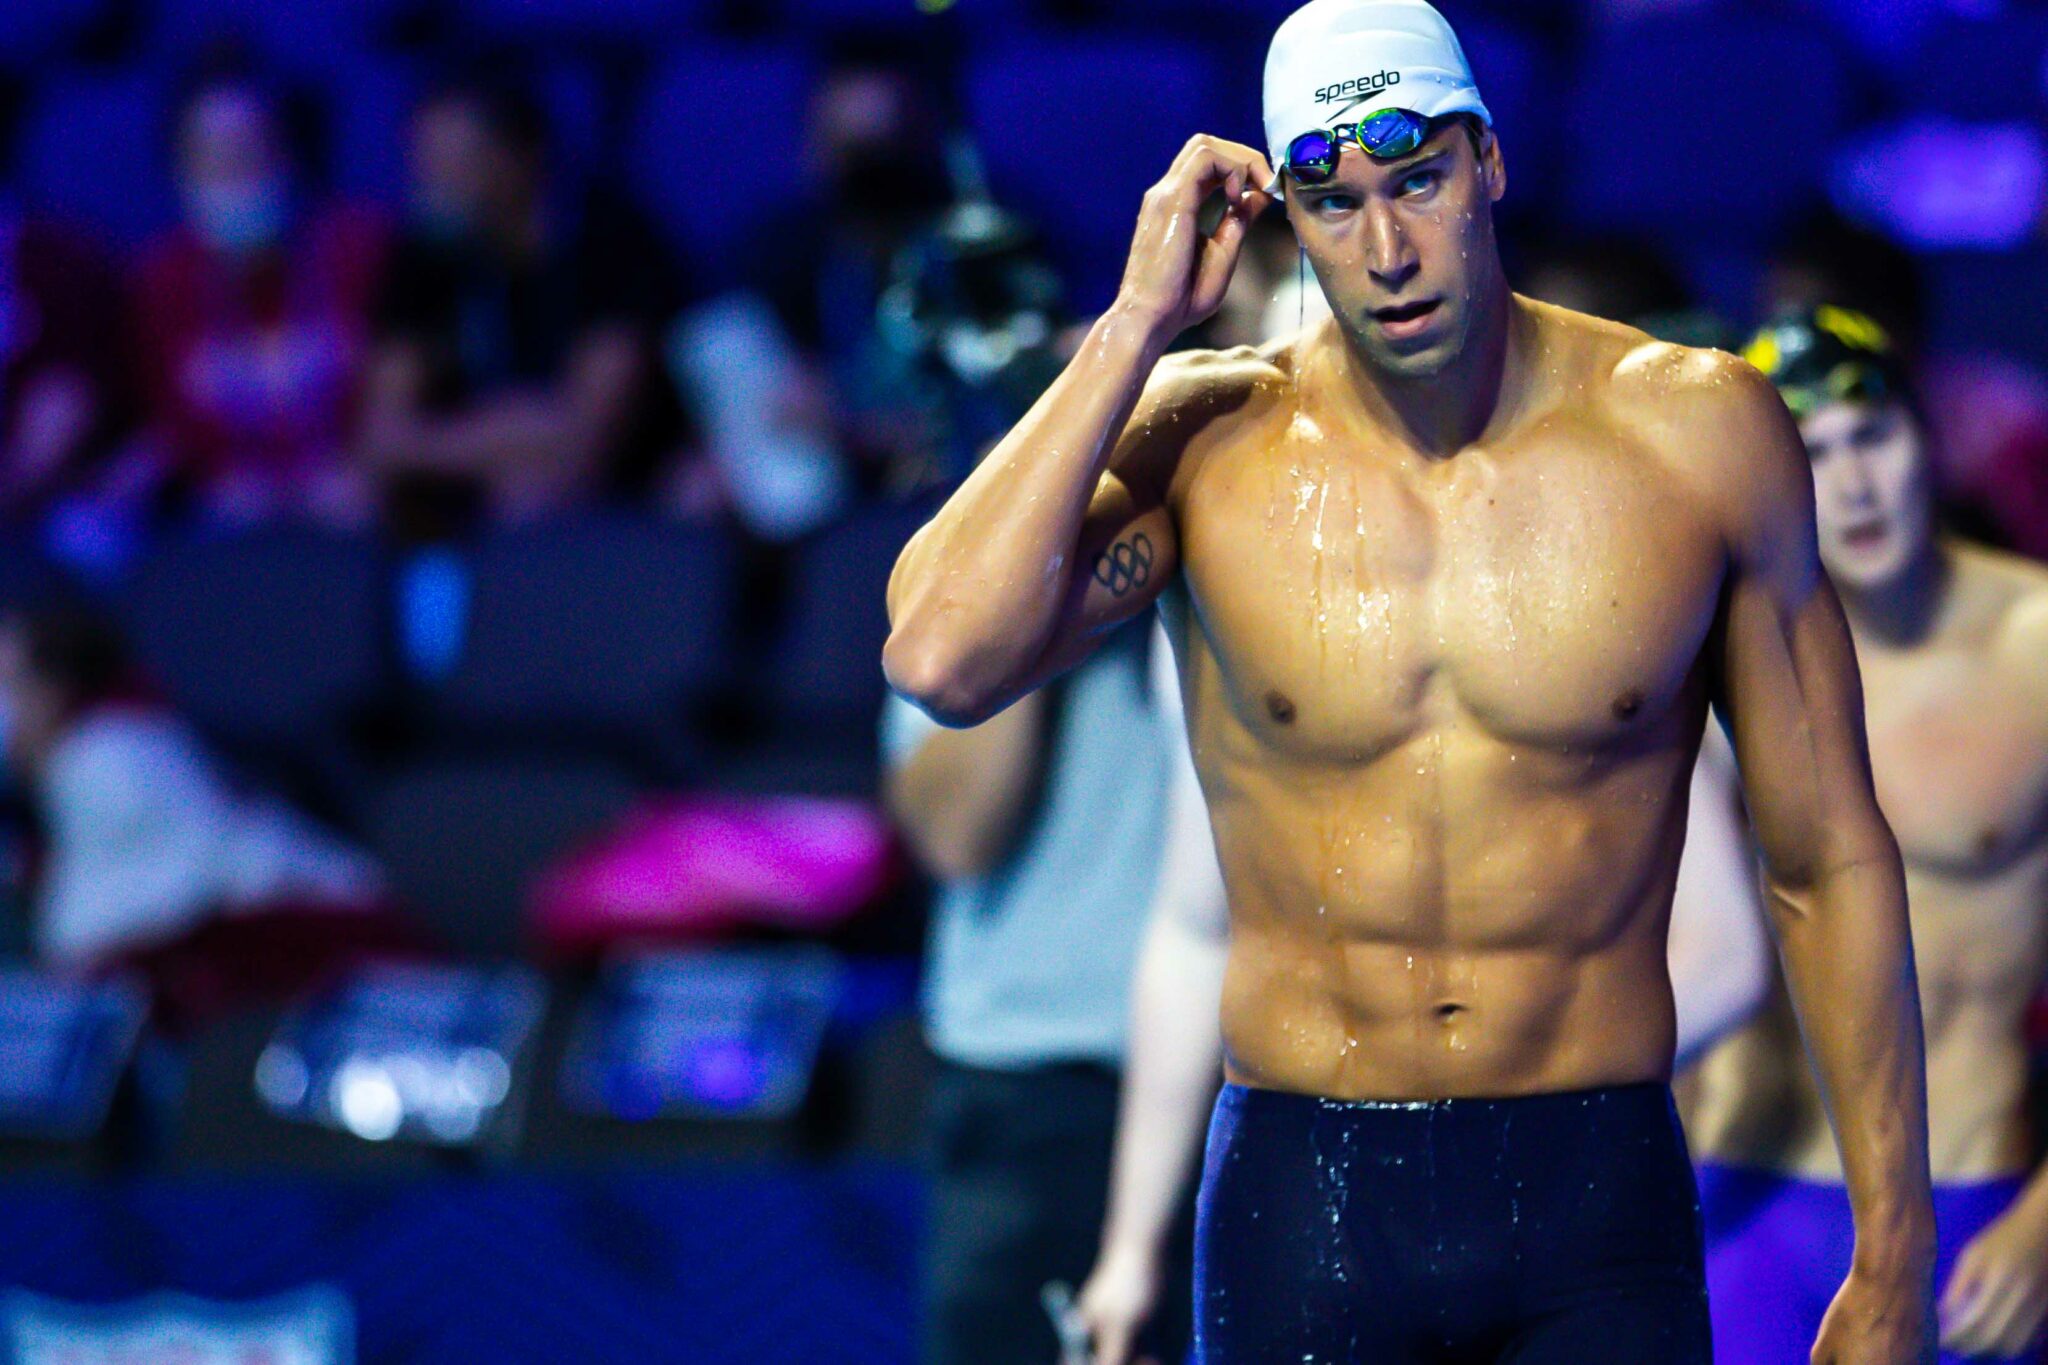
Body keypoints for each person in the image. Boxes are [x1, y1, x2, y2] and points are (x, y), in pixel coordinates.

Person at [882, 0, 1934, 1358]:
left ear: (1487, 162)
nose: (1384, 252)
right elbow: (940, 659)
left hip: (1595, 1187)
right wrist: (1137, 321)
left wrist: (1893, 1249)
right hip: (1303, 1192)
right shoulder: (1210, 442)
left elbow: (1826, 853)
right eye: (1330, 202)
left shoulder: (1697, 434)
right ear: (1283, 220)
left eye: (1417, 180)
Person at [1076, 651, 1772, 1364]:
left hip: (1572, 1177)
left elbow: (1724, 953)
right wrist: (1130, 1245)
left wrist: (1516, 1069)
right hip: (1312, 1184)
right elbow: (1196, 929)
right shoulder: (1221, 571)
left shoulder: (1593, 573)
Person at [1686, 305, 2048, 1364]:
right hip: (1736, 1195)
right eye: (1808, 451)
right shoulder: (1705, 654)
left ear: (1924, 435)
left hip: (1965, 1208)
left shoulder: (2032, 646)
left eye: (1869, 436)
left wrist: (2044, 1218)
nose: (1849, 486)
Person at [881, 616, 1193, 1365]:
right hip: (1036, 1077)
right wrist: (1056, 581)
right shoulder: (1006, 524)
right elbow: (956, 835)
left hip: (1281, 1080)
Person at [0, 598, 426, 1036]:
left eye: (7, 684)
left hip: (319, 945)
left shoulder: (110, 759)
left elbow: (100, 935)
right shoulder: (87, 755)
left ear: (54, 688)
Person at [362, 72, 690, 530]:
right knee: (347, 499)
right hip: (476, 491)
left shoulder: (614, 243)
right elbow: (380, 442)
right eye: (425, 164)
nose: (436, 186)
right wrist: (512, 431)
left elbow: (583, 447)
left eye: (459, 164)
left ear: (524, 158)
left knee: (533, 501)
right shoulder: (425, 253)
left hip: (628, 493)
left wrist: (436, 442)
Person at [131, 69, 387, 527]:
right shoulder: (163, 280)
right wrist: (217, 476)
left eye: (251, 147)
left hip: (362, 502)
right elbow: (170, 420)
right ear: (180, 169)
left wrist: (366, 465)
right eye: (212, 155)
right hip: (224, 520)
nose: (234, 169)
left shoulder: (361, 252)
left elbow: (402, 392)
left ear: (289, 152)